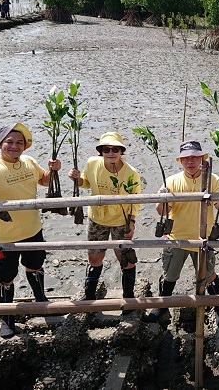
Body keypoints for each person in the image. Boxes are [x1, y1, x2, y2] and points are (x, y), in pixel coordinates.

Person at [0, 123, 61, 338]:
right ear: (0, 144)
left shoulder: (29, 161)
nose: (14, 146)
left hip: (34, 229)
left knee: (35, 266)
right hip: (4, 236)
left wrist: (52, 170)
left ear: (25, 146)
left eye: (19, 143)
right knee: (5, 277)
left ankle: (41, 300)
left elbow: (43, 181)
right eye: (9, 142)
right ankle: (7, 317)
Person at [145, 140, 219, 327]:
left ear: (201, 158)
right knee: (170, 275)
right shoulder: (172, 181)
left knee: (209, 275)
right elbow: (161, 212)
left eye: (194, 157)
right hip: (177, 237)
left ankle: (218, 307)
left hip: (202, 239)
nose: (190, 161)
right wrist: (162, 197)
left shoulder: (212, 179)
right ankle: (162, 306)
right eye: (186, 158)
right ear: (181, 161)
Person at [67, 132, 141, 313]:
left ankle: (129, 297)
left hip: (120, 220)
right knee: (94, 257)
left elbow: (136, 199)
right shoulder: (93, 163)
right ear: (101, 151)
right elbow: (85, 183)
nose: (111, 152)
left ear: (121, 151)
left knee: (125, 258)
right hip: (97, 218)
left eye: (115, 149)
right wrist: (76, 179)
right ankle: (90, 297)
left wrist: (131, 223)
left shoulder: (131, 173)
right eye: (106, 149)